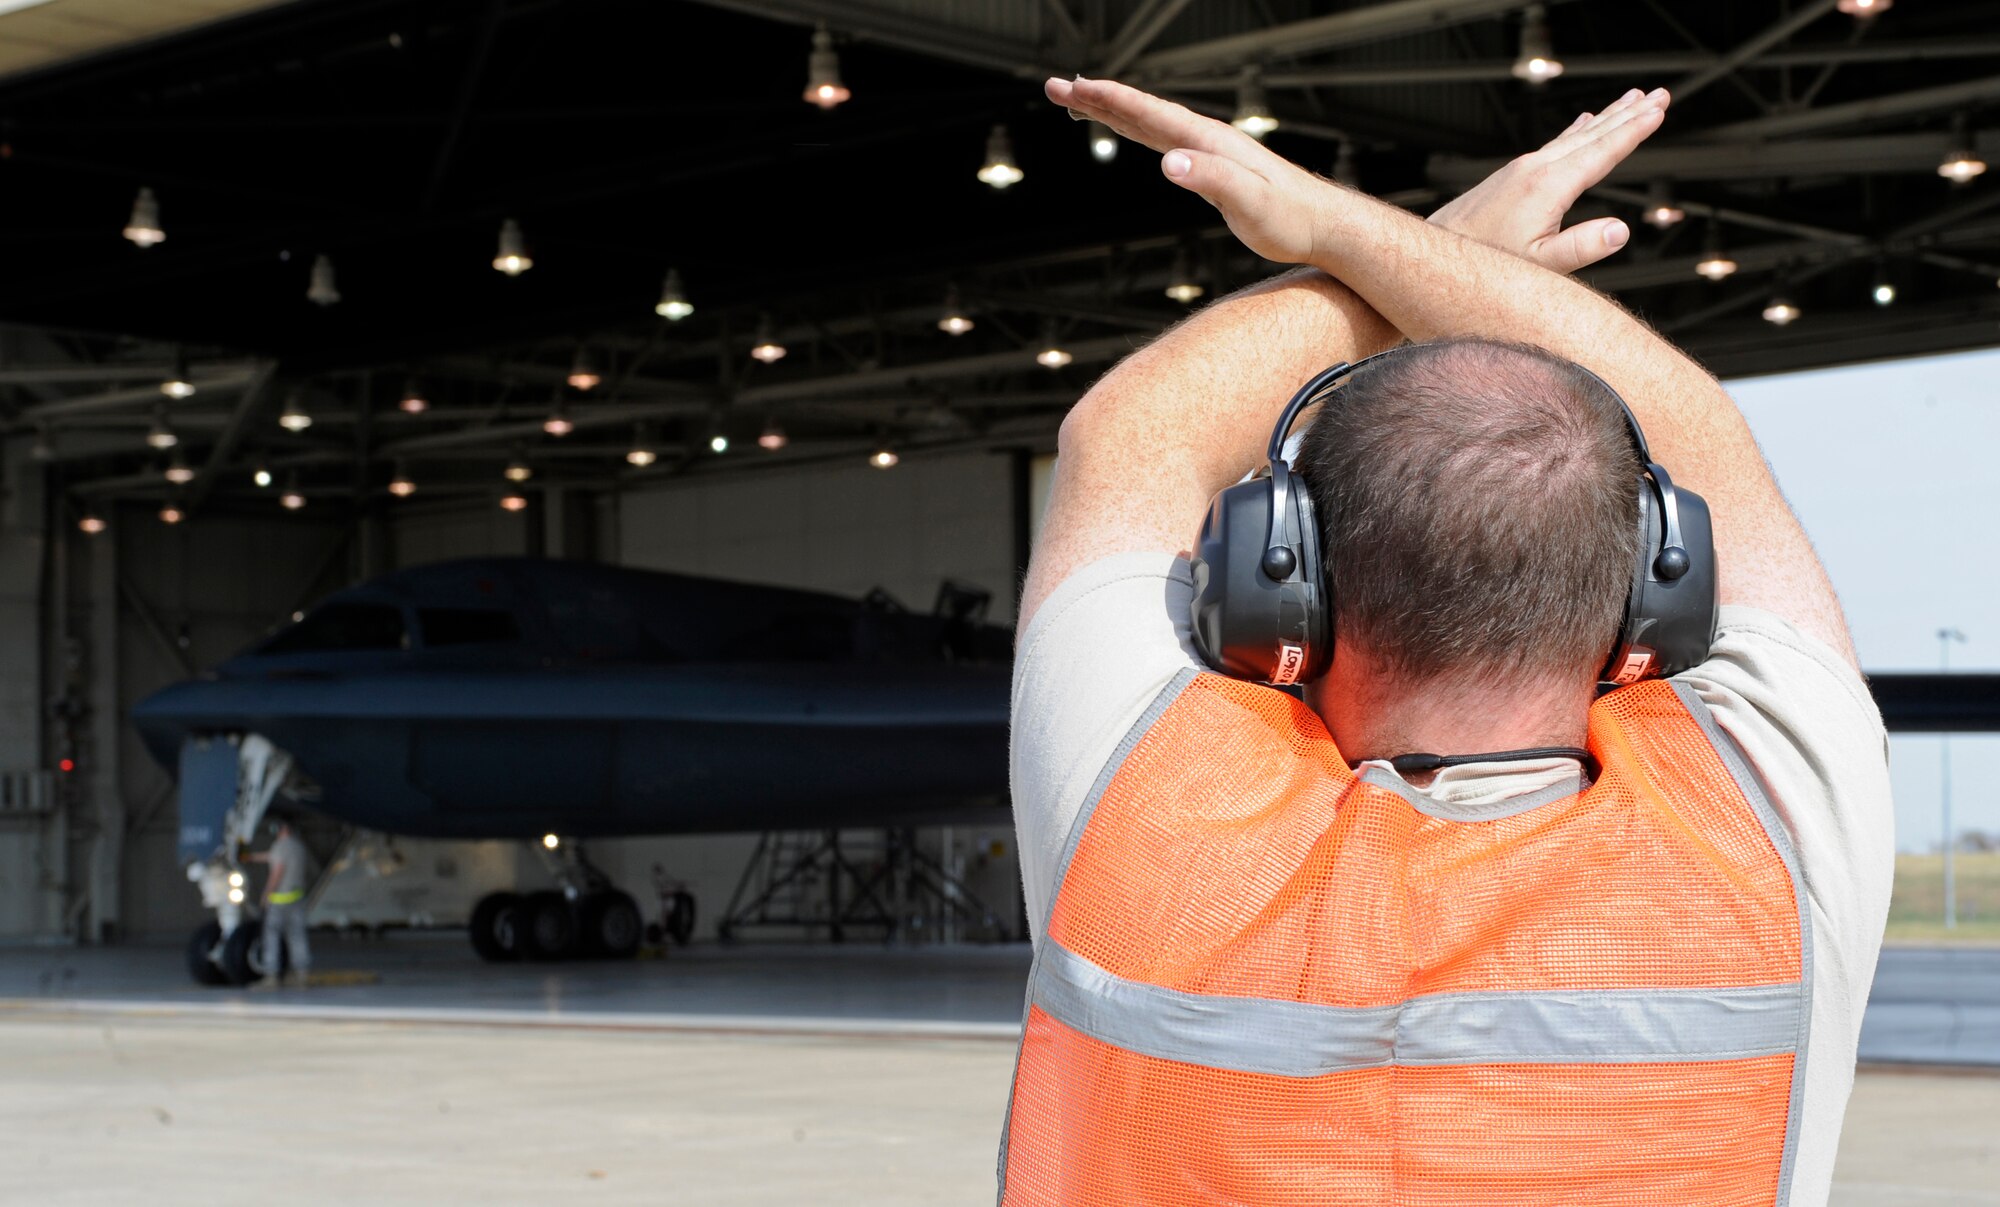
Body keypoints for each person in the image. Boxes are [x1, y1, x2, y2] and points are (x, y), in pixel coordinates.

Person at [1002, 78, 1891, 1207]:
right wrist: (1373, 240)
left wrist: (1404, 245)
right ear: (1641, 597)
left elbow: (1125, 436)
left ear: (1289, 590)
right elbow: (1699, 428)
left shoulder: (1142, 825)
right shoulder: (1770, 838)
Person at [248, 819, 313, 989]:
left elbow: (277, 871)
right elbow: (270, 857)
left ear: (283, 829)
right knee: (297, 936)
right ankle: (302, 976)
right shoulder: (298, 847)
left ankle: (271, 977)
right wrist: (251, 857)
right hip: (297, 898)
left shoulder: (280, 846)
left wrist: (266, 895)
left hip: (280, 900)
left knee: (271, 936)